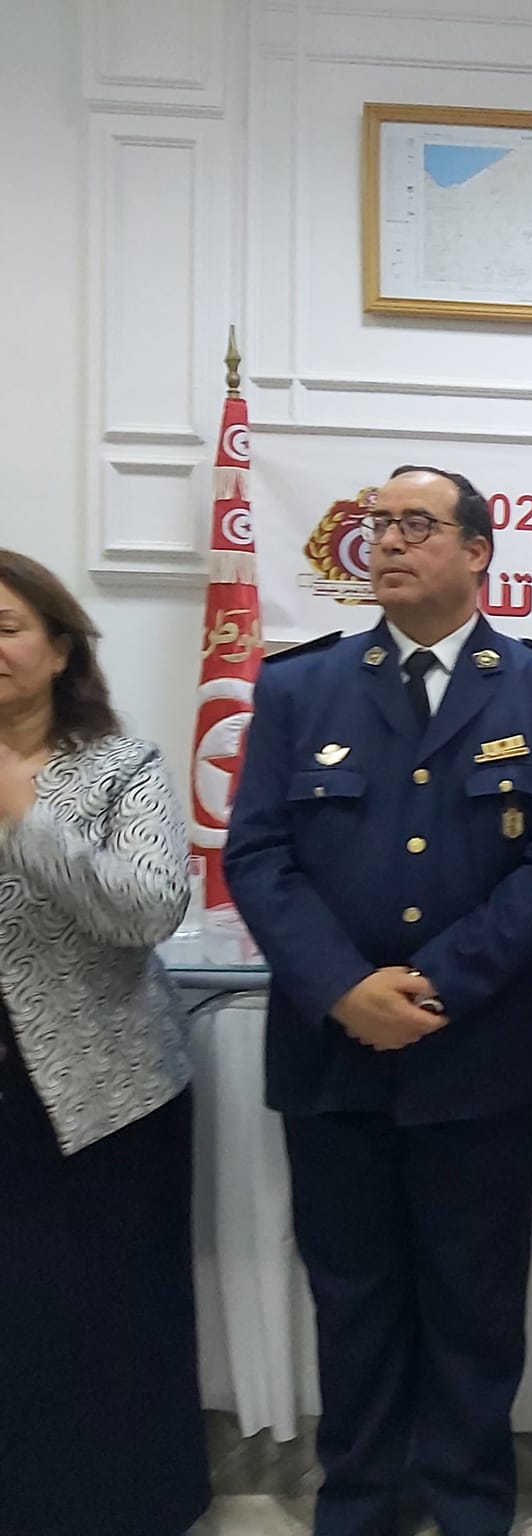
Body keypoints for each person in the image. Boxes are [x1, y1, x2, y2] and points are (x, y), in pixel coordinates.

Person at [224, 465, 532, 1536]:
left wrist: (436, 982)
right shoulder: (300, 687)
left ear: (477, 551)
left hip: (485, 1051)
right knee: (352, 1298)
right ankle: (359, 1502)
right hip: (333, 1050)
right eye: (377, 524)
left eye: (415, 525)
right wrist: (343, 987)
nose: (386, 542)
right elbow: (258, 856)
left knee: (476, 1301)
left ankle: (472, 1504)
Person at [0, 549, 210, 1536]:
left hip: (105, 1094)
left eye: (6, 628)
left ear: (58, 647)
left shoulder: (122, 767)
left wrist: (25, 817)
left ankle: (137, 1506)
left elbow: (147, 909)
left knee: (111, 1315)